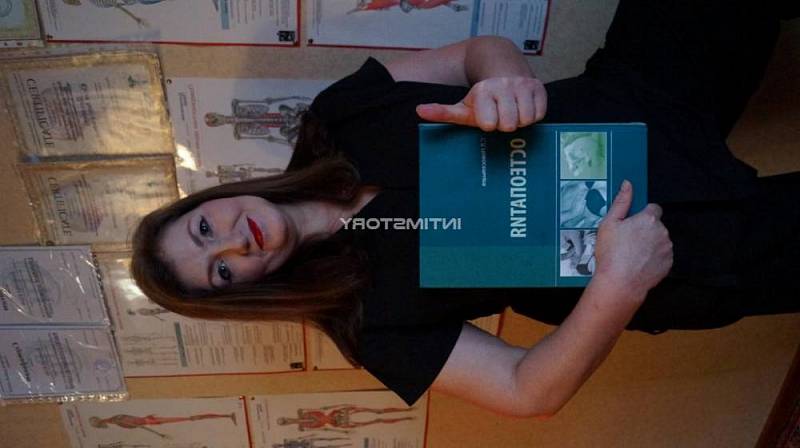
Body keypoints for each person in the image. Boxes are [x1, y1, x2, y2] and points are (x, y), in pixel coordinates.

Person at [132, 0, 800, 417]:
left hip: (636, 100)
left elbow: (477, 53)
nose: (234, 242)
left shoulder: (338, 116)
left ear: (211, 200)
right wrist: (618, 289)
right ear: (242, 292)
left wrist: (504, 79)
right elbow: (524, 391)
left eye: (204, 227)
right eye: (221, 270)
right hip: (678, 254)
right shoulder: (367, 323)